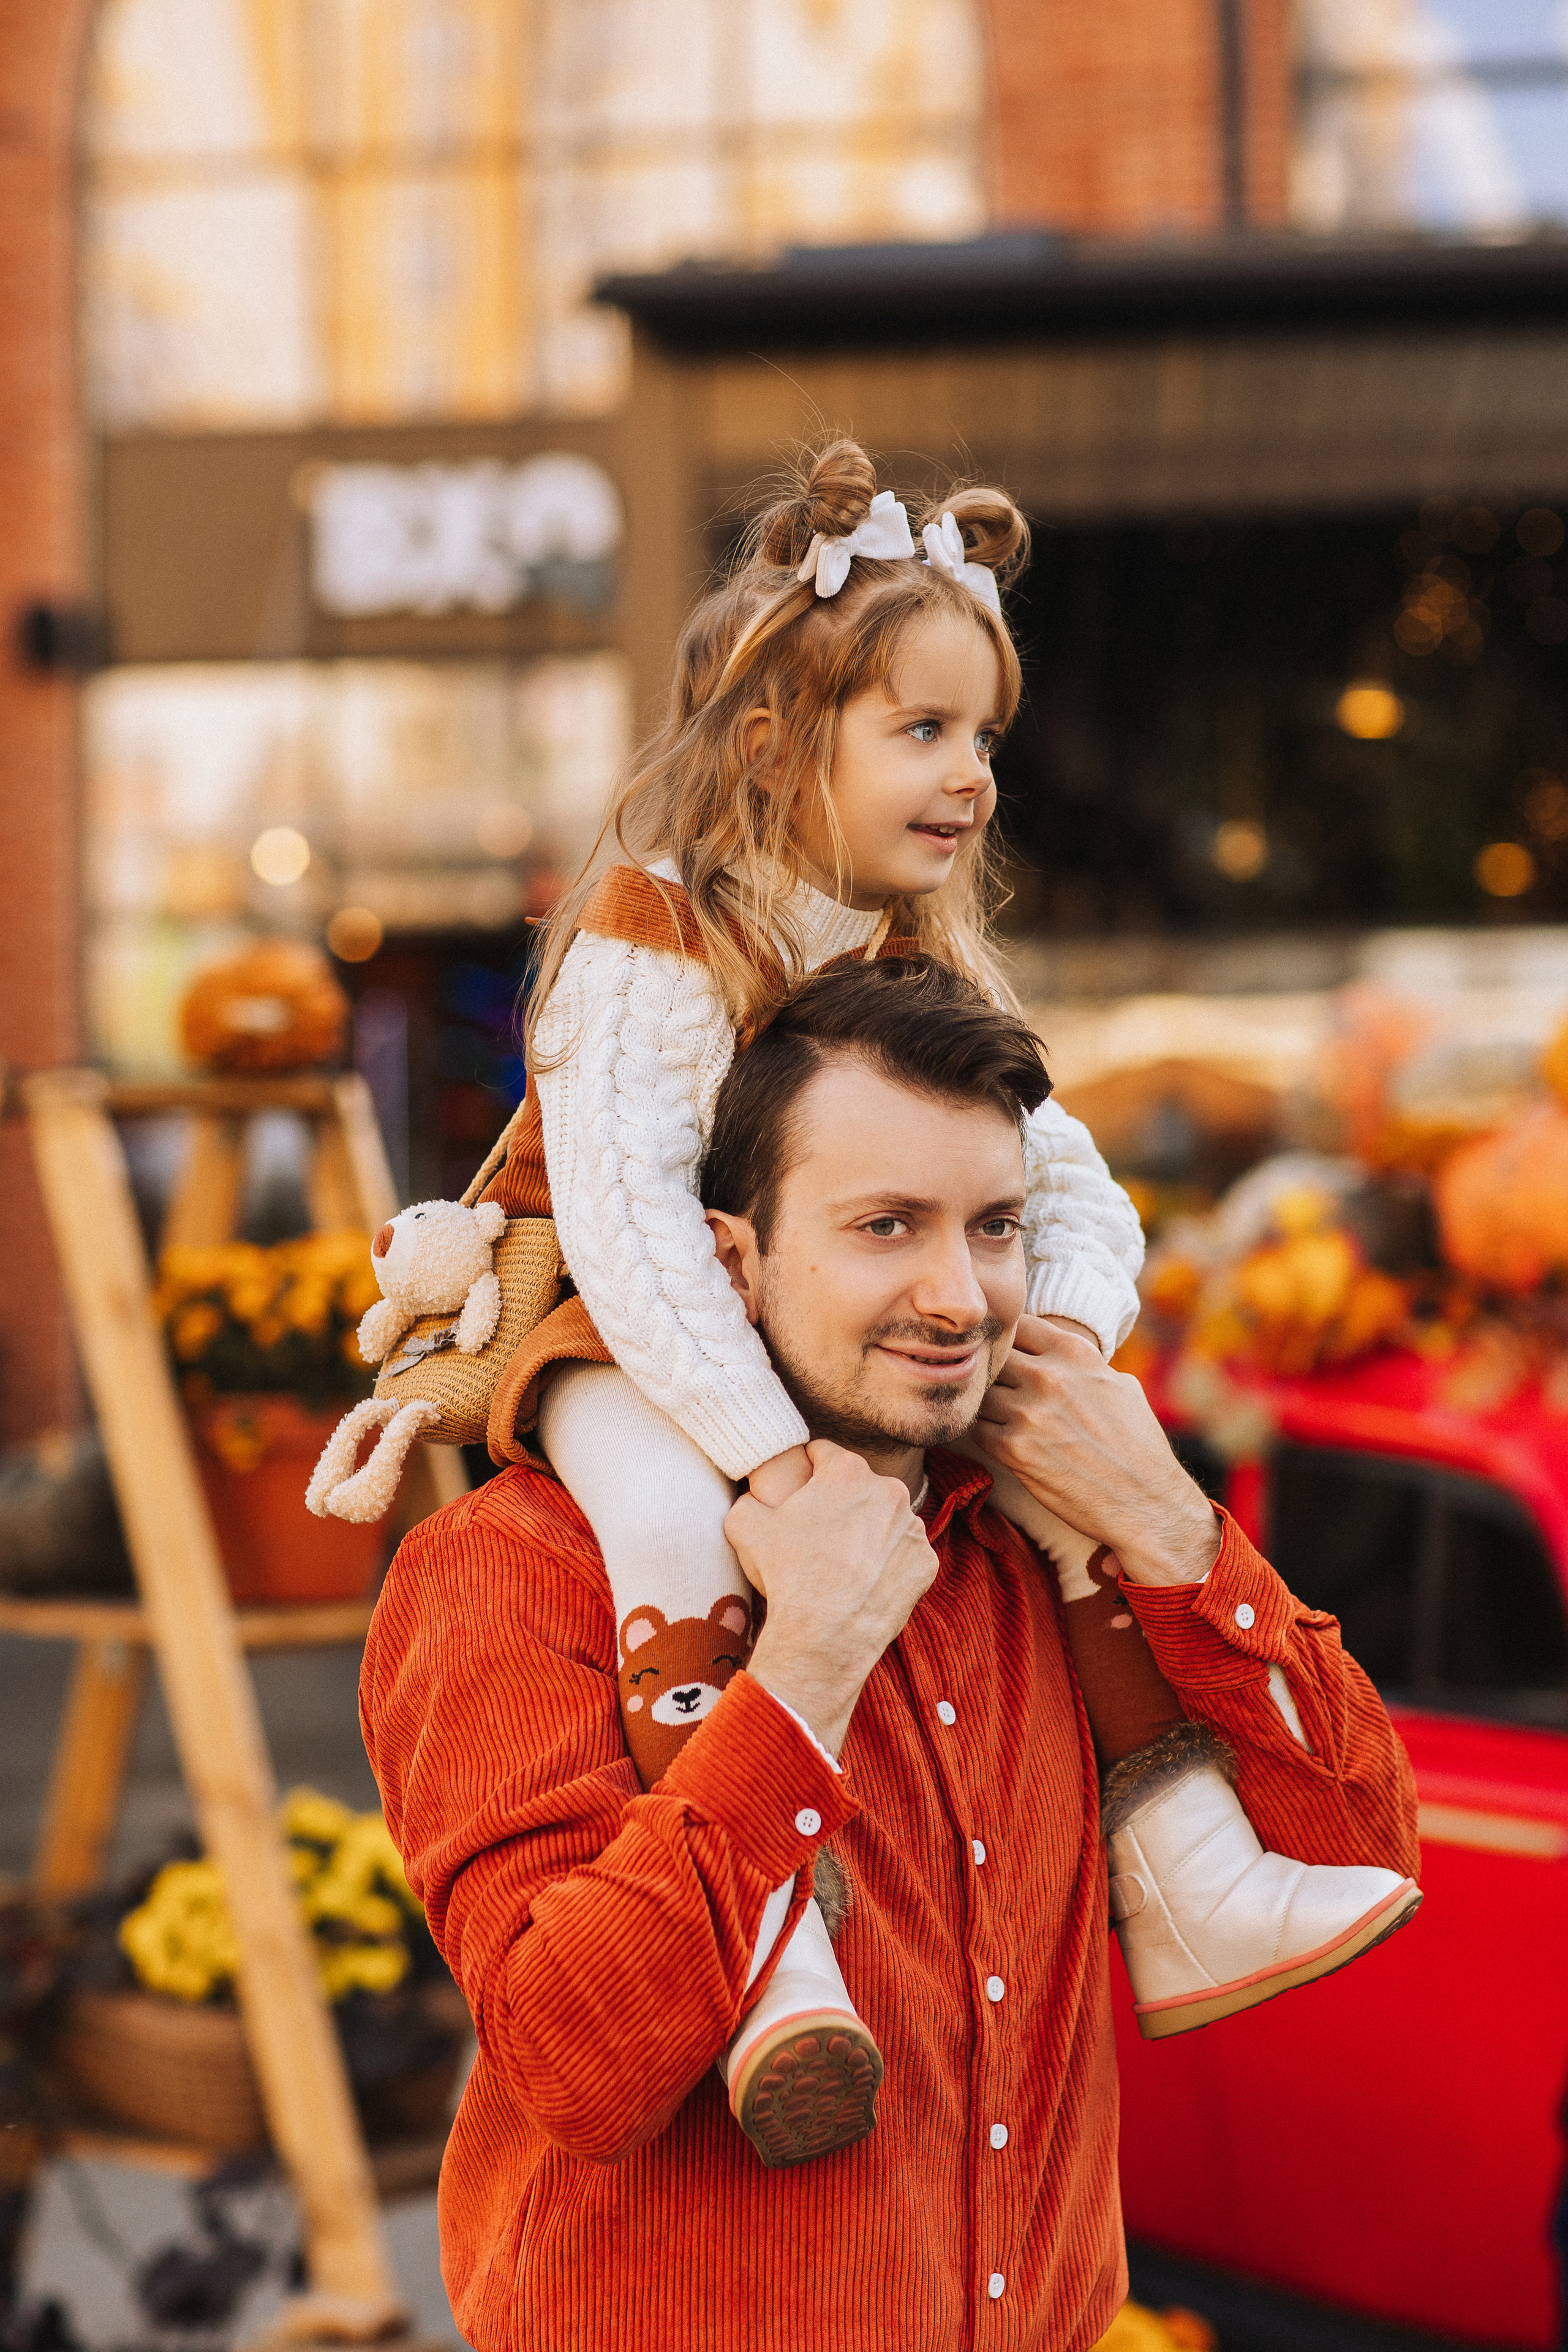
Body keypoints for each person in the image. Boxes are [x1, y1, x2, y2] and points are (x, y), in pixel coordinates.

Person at [447, 437, 1409, 2162]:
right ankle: (765, 1942)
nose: (969, 774)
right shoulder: (657, 935)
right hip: (606, 1321)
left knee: (1048, 1466)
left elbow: (1071, 1184)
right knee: (660, 1513)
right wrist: (770, 1464)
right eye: (922, 730)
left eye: (984, 739)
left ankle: (1177, 1857)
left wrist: (1071, 1367)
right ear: (770, 743)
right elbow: (636, 1231)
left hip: (775, 1356)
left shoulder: (914, 968)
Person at [360, 957, 1422, 2352]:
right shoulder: (519, 1568)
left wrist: (1166, 1520)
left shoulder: (1035, 1552)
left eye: (991, 1228)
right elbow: (575, 2060)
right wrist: (799, 1673)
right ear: (728, 1259)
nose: (960, 1295)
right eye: (884, 1227)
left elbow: (1358, 1841)